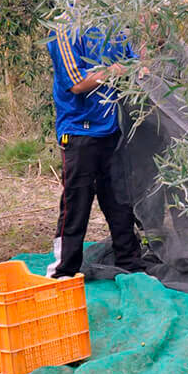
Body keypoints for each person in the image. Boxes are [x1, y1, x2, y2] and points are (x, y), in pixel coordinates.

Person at [45, 18, 145, 278]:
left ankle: (130, 263)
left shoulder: (112, 28)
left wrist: (136, 64)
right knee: (76, 202)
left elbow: (135, 64)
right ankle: (64, 270)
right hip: (79, 132)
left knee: (119, 200)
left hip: (112, 129)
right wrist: (117, 70)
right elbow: (76, 83)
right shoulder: (64, 31)